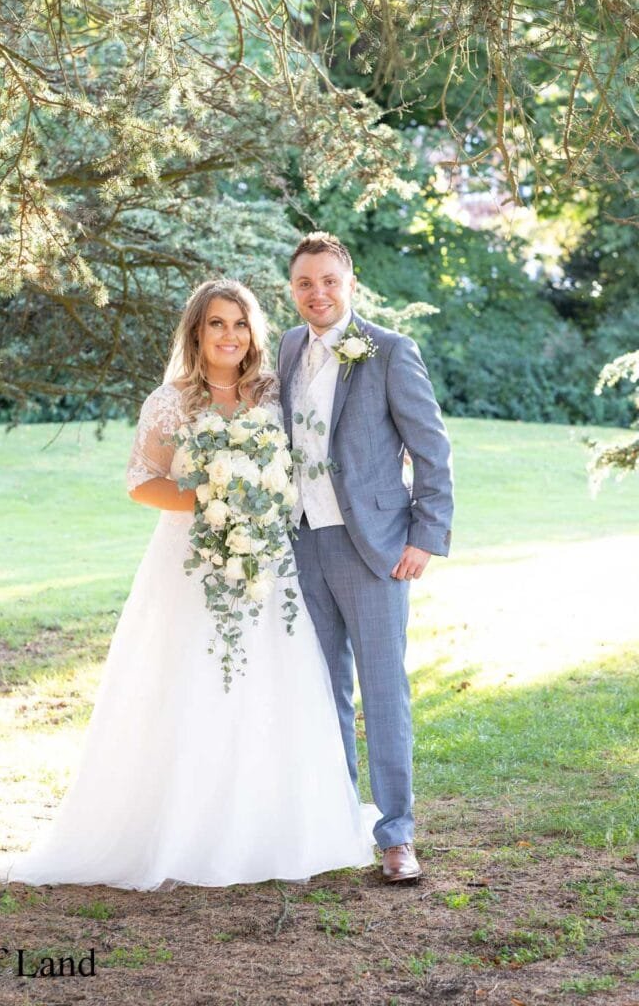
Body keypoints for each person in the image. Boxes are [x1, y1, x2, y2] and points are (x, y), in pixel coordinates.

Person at [0, 279, 375, 891]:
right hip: (190, 564)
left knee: (269, 681)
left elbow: (312, 455)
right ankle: (182, 828)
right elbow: (141, 481)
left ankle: (268, 824)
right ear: (196, 332)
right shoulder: (170, 401)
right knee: (190, 681)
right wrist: (210, 496)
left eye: (240, 324)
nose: (229, 335)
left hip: (266, 568)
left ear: (254, 332)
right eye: (216, 324)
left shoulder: (272, 393)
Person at [278, 233, 454, 882]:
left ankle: (396, 835)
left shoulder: (389, 351)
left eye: (328, 280)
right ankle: (336, 823)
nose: (317, 293)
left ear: (350, 282)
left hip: (374, 548)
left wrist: (424, 535)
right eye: (304, 283)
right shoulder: (289, 348)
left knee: (382, 693)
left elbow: (432, 449)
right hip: (303, 544)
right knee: (320, 693)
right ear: (292, 290)